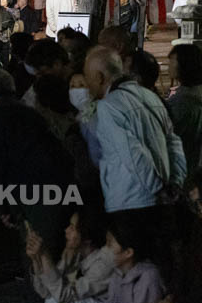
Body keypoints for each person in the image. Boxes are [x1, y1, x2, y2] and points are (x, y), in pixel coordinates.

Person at [84, 46, 187, 214]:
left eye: (88, 78)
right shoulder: (151, 97)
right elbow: (174, 143)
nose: (87, 86)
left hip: (131, 202)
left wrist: (158, 190)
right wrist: (175, 184)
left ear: (99, 77)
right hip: (164, 197)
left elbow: (132, 152)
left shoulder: (109, 106)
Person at [26, 209, 115, 303]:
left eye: (73, 227)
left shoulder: (103, 263)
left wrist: (45, 255)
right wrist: (37, 259)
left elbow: (60, 295)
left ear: (87, 238)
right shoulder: (77, 254)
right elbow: (45, 291)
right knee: (53, 301)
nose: (66, 230)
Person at [167, 44, 202, 176]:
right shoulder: (191, 93)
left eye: (172, 61)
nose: (168, 65)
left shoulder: (185, 102)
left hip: (184, 166)